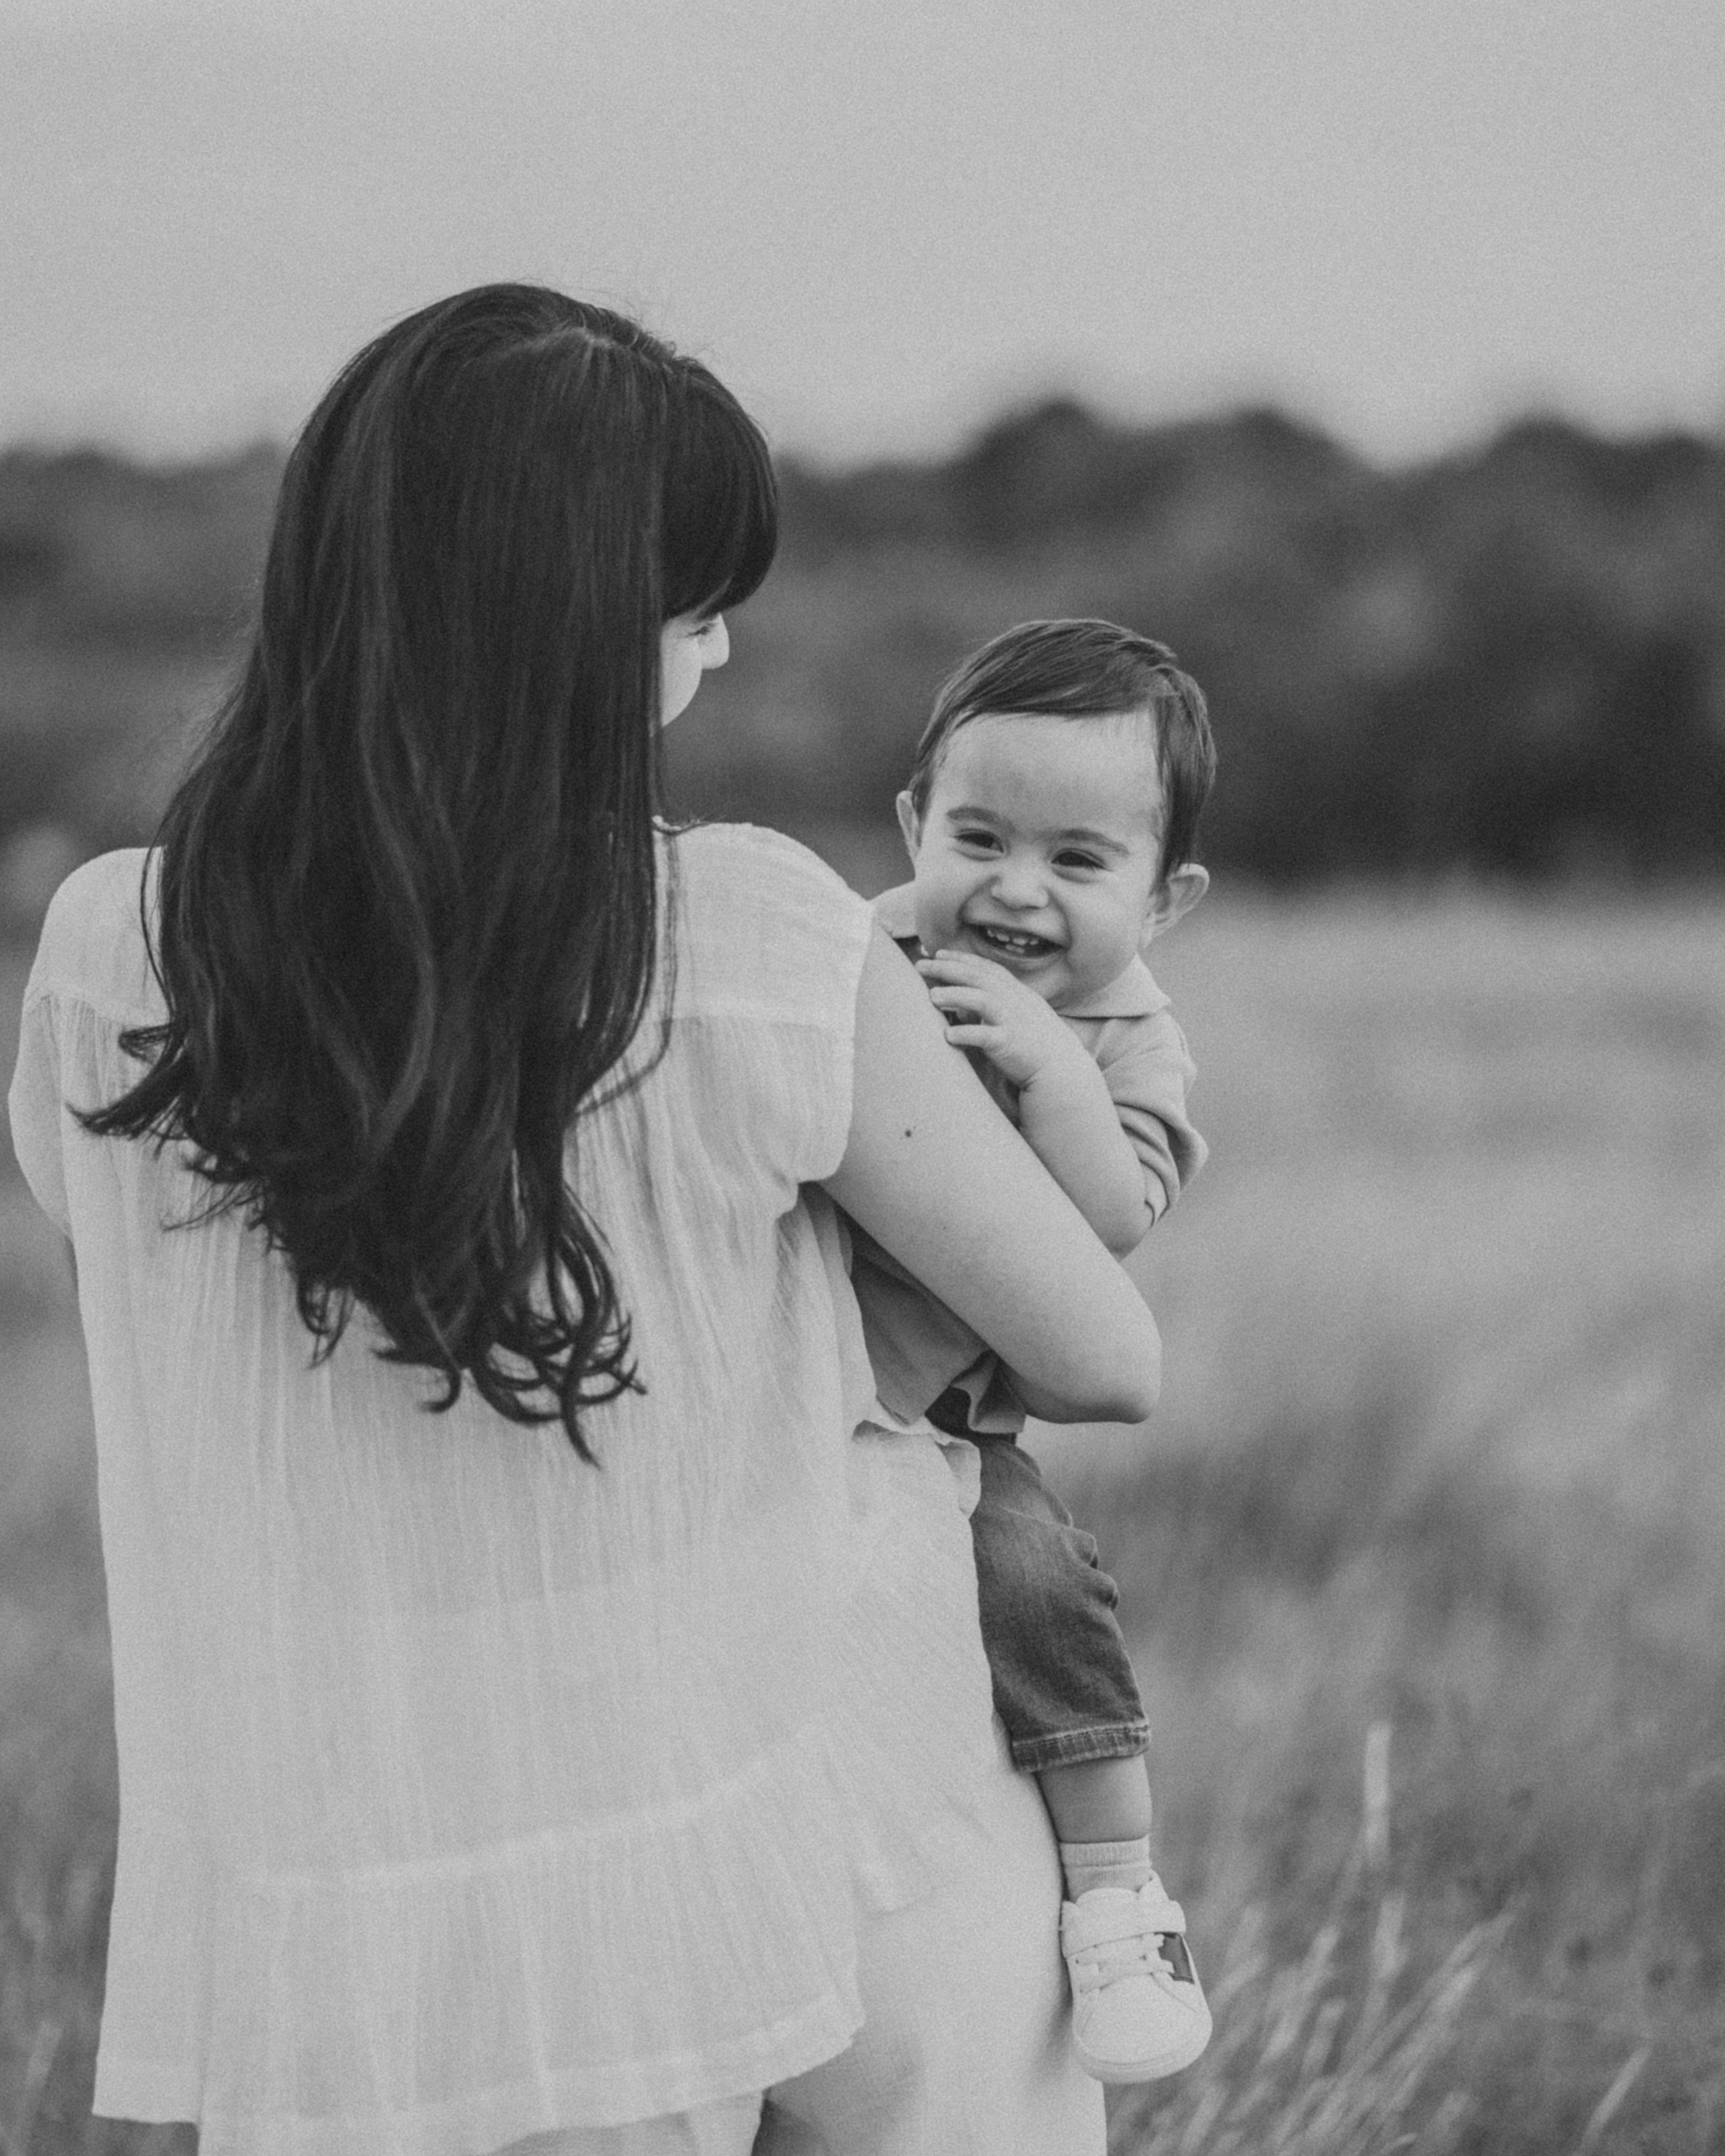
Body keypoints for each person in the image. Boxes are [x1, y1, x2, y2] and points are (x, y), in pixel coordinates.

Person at [6, 286, 1162, 2156]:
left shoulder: (108, 961)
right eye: (691, 603)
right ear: (569, 622)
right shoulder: (759, 940)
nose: (711, 651)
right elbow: (1104, 1358)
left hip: (382, 1900)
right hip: (816, 1799)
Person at [846, 619, 1216, 2083]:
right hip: (792, 1383)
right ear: (910, 826)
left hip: (950, 1422)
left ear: (1163, 897)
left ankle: (1118, 1894)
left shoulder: (1126, 1038)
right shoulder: (859, 949)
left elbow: (1109, 1223)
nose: (1011, 890)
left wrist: (1046, 1066)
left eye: (1075, 862)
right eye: (976, 835)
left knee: (1034, 1579)